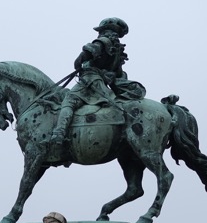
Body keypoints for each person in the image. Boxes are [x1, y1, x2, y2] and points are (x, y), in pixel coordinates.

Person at [50, 18, 145, 156]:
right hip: (102, 85)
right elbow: (119, 74)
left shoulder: (103, 42)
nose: (99, 34)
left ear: (105, 31)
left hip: (89, 82)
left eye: (100, 31)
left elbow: (85, 56)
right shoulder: (117, 50)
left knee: (68, 101)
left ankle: (59, 134)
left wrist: (78, 64)